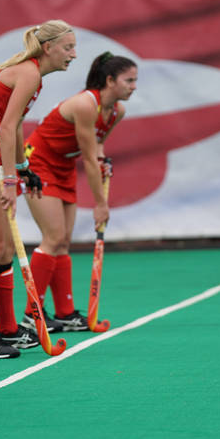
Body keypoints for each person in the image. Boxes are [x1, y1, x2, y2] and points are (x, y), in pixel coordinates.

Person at [0, 20, 76, 359]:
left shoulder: (32, 75)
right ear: (48, 48)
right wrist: (9, 177)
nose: (73, 54)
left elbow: (16, 123)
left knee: (5, 248)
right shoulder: (30, 74)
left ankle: (7, 329)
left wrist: (22, 167)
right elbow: (5, 129)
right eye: (68, 47)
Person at [20, 52, 136, 333]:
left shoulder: (117, 111)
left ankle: (66, 313)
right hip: (39, 164)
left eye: (135, 80)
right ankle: (31, 315)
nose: (134, 86)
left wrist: (103, 158)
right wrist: (100, 204)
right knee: (53, 237)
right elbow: (88, 158)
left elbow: (96, 148)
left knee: (63, 242)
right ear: (110, 81)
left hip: (64, 167)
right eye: (128, 80)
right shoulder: (85, 105)